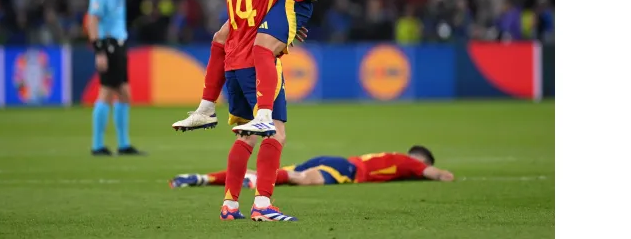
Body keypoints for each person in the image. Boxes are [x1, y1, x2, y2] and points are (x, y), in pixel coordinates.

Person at [177, 0, 320, 222]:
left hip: (233, 64)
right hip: (259, 63)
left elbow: (239, 19)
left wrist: (288, 25)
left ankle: (229, 205)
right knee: (275, 134)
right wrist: (292, 23)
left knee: (245, 137)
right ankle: (263, 204)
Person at [86, 0, 195, 156]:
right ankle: (99, 145)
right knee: (108, 92)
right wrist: (99, 51)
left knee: (123, 94)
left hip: (117, 44)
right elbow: (92, 21)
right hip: (108, 44)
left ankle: (122, 144)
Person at [170, 146, 455, 189]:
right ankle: (247, 183)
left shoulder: (392, 158)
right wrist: (446, 176)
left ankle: (203, 178)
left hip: (334, 159)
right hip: (348, 170)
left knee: (271, 175)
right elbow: (434, 173)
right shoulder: (410, 163)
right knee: (303, 179)